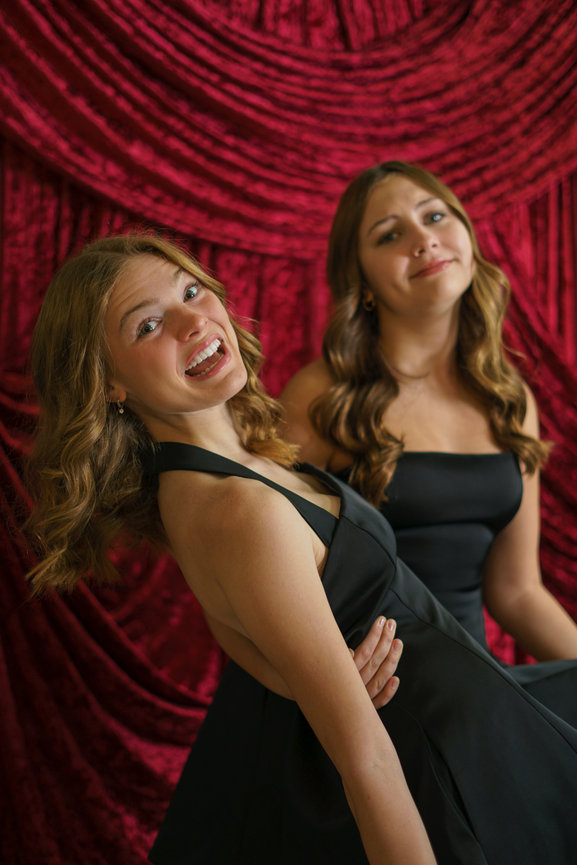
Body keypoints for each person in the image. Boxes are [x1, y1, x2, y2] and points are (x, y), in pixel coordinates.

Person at [27, 234, 577, 865]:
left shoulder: (218, 473)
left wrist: (288, 678)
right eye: (148, 325)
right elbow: (365, 757)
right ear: (108, 384)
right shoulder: (239, 509)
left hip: (476, 722)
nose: (191, 322)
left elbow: (233, 624)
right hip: (450, 769)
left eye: (191, 291)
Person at [280, 159, 577, 666]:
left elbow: (518, 592)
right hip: (362, 690)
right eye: (389, 235)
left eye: (435, 216)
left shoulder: (508, 397)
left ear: (467, 237)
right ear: (362, 282)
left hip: (478, 689)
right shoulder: (323, 396)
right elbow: (267, 579)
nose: (423, 240)